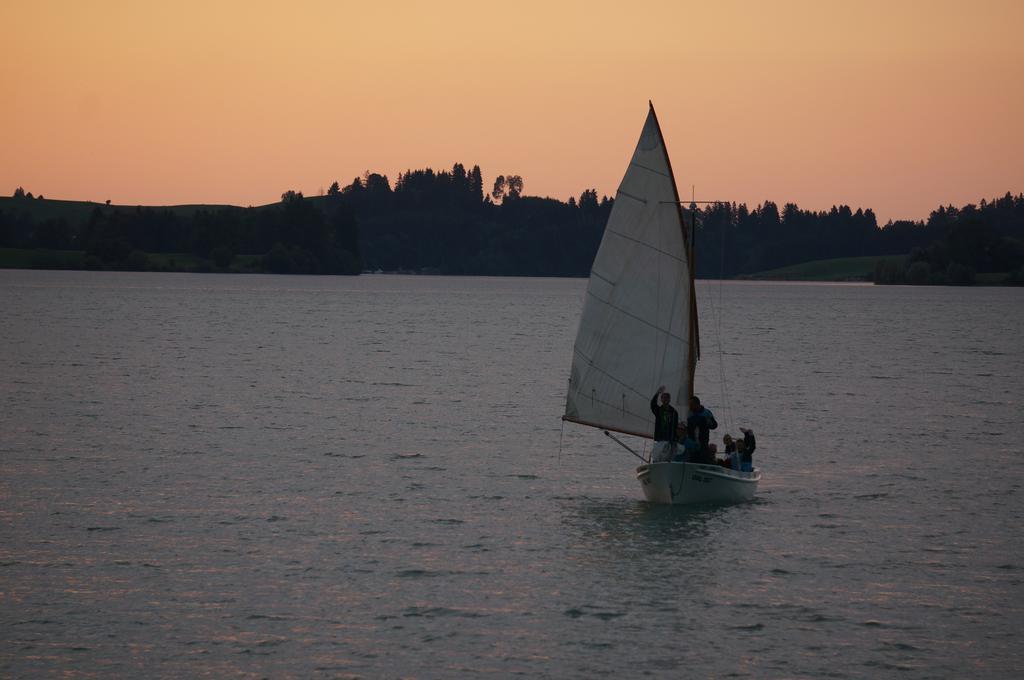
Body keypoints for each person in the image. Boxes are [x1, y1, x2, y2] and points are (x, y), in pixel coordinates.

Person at [649, 385, 679, 462]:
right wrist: (657, 394)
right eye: (663, 398)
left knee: (669, 456)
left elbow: (675, 426)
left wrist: (675, 438)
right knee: (659, 455)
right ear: (661, 400)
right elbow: (652, 404)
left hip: (670, 439)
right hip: (660, 438)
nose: (665, 399)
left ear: (669, 399)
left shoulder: (674, 412)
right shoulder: (658, 410)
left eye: (667, 398)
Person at [687, 395, 718, 463]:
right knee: (692, 460)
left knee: (703, 459)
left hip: (703, 443)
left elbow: (714, 425)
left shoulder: (706, 413)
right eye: (689, 404)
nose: (690, 406)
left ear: (697, 404)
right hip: (692, 443)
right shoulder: (689, 413)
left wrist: (708, 422)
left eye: (691, 404)